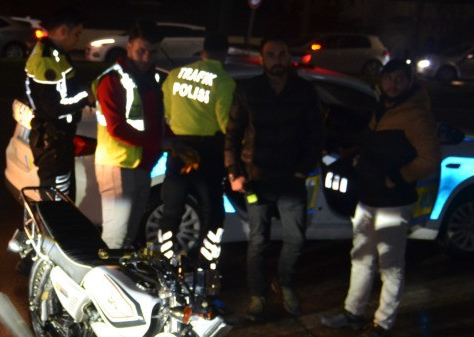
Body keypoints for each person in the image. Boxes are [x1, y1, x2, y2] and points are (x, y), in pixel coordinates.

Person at [320, 57, 440, 337]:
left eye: (400, 79)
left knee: (391, 267)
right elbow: (374, 144)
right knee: (360, 258)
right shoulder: (383, 109)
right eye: (389, 78)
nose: (393, 84)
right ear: (381, 81)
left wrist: (397, 178)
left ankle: (383, 327)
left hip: (393, 203)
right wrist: (356, 157)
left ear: (409, 82)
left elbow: (430, 158)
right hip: (368, 198)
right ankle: (352, 313)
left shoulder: (415, 116)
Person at [225, 39, 325, 321]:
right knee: (257, 241)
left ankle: (285, 284)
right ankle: (258, 295)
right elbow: (232, 135)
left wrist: (302, 170)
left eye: (282, 53)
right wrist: (234, 173)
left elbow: (316, 136)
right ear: (262, 59)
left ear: (290, 56)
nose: (277, 59)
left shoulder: (305, 91)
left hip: (291, 180)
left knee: (295, 239)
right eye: (271, 55)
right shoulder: (249, 90)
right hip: (256, 179)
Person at [158, 33, 236, 261]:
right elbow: (225, 124)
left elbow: (168, 114)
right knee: (213, 210)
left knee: (171, 208)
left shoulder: (175, 75)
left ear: (203, 52)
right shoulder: (223, 80)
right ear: (224, 54)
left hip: (178, 149)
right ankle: (206, 263)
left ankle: (167, 261)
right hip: (209, 150)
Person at [91, 20, 166, 249]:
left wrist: (171, 141)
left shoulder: (150, 79)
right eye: (141, 51)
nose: (146, 58)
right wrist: (163, 142)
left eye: (152, 52)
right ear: (129, 47)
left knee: (128, 238)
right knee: (115, 239)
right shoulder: (112, 80)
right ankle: (102, 281)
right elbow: (117, 128)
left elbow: (154, 122)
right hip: (117, 165)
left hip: (140, 165)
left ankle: (118, 279)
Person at [25, 7, 88, 197]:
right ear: (62, 31)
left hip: (59, 139)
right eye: (76, 34)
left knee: (63, 198)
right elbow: (54, 108)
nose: (78, 39)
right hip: (53, 140)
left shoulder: (56, 55)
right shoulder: (47, 61)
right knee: (57, 202)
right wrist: (86, 98)